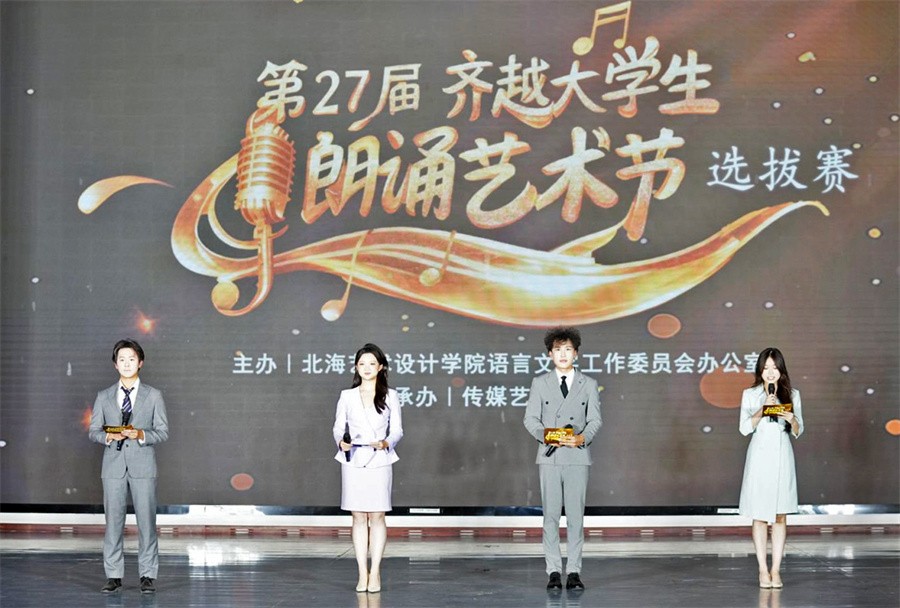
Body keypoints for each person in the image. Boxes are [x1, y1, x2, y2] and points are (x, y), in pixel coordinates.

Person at [88, 338, 169, 594]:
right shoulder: (103, 396)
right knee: (113, 522)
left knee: (147, 522)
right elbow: (93, 431)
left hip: (143, 465)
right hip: (113, 466)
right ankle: (113, 575)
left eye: (131, 359)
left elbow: (163, 431)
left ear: (140, 362)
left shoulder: (153, 395)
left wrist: (141, 434)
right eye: (121, 359)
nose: (126, 363)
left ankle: (148, 575)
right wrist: (108, 436)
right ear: (115, 364)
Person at [523, 327, 602, 591]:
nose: (563, 354)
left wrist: (582, 438)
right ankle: (554, 571)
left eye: (568, 349)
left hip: (577, 456)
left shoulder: (588, 384)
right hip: (550, 457)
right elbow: (530, 419)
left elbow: (595, 420)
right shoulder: (540, 383)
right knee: (551, 517)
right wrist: (547, 435)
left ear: (576, 353)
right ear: (550, 354)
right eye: (558, 350)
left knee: (576, 518)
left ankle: (575, 571)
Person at [333, 343, 404, 593]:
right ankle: (362, 572)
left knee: (377, 515)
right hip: (353, 459)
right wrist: (341, 442)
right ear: (356, 367)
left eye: (372, 363)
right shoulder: (347, 395)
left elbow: (397, 430)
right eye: (362, 364)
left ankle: (376, 573)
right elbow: (338, 427)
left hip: (380, 459)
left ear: (380, 367)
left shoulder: (390, 395)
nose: (366, 368)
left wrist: (386, 442)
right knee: (358, 516)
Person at [739, 347, 804, 589]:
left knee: (780, 515)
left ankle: (776, 569)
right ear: (760, 370)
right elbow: (744, 428)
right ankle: (762, 570)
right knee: (759, 514)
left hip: (782, 456)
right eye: (766, 368)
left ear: (781, 369)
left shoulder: (792, 394)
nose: (770, 372)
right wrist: (763, 408)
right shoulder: (750, 394)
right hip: (759, 456)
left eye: (774, 367)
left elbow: (799, 430)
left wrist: (791, 419)